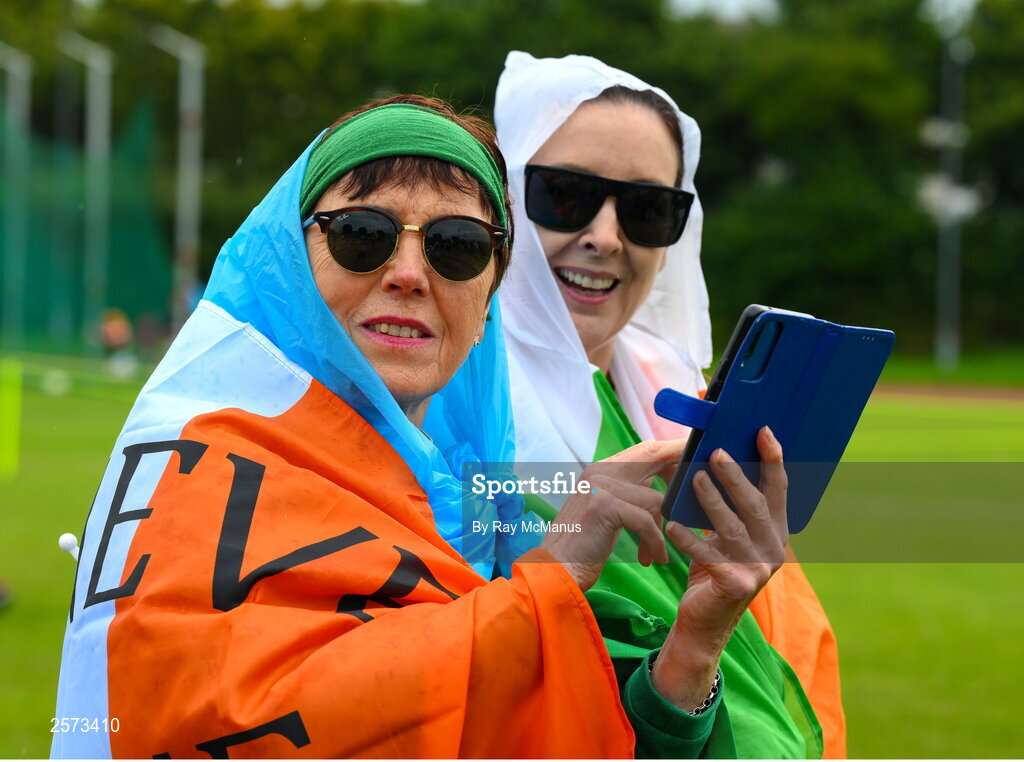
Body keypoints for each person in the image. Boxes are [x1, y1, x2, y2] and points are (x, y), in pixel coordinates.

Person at [53, 94, 791, 758]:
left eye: (458, 247)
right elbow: (231, 723)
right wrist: (551, 583)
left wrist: (695, 644)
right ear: (292, 263)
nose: (409, 272)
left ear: (489, 297)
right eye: (362, 234)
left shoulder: (485, 505)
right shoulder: (204, 467)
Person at [495, 51, 846, 758]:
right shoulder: (448, 394)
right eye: (565, 194)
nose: (604, 235)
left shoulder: (671, 393)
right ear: (500, 195)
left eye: (648, 209)